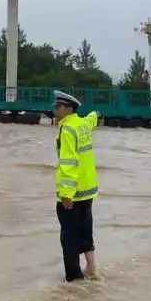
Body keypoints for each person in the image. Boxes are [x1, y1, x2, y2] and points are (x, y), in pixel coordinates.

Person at [53, 90, 100, 282]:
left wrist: (66, 194)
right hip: (88, 191)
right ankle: (92, 268)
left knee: (69, 237)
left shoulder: (67, 130)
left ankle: (74, 279)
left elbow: (68, 164)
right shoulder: (82, 124)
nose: (55, 110)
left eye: (58, 107)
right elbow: (91, 120)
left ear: (68, 109)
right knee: (85, 230)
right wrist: (95, 114)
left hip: (73, 194)